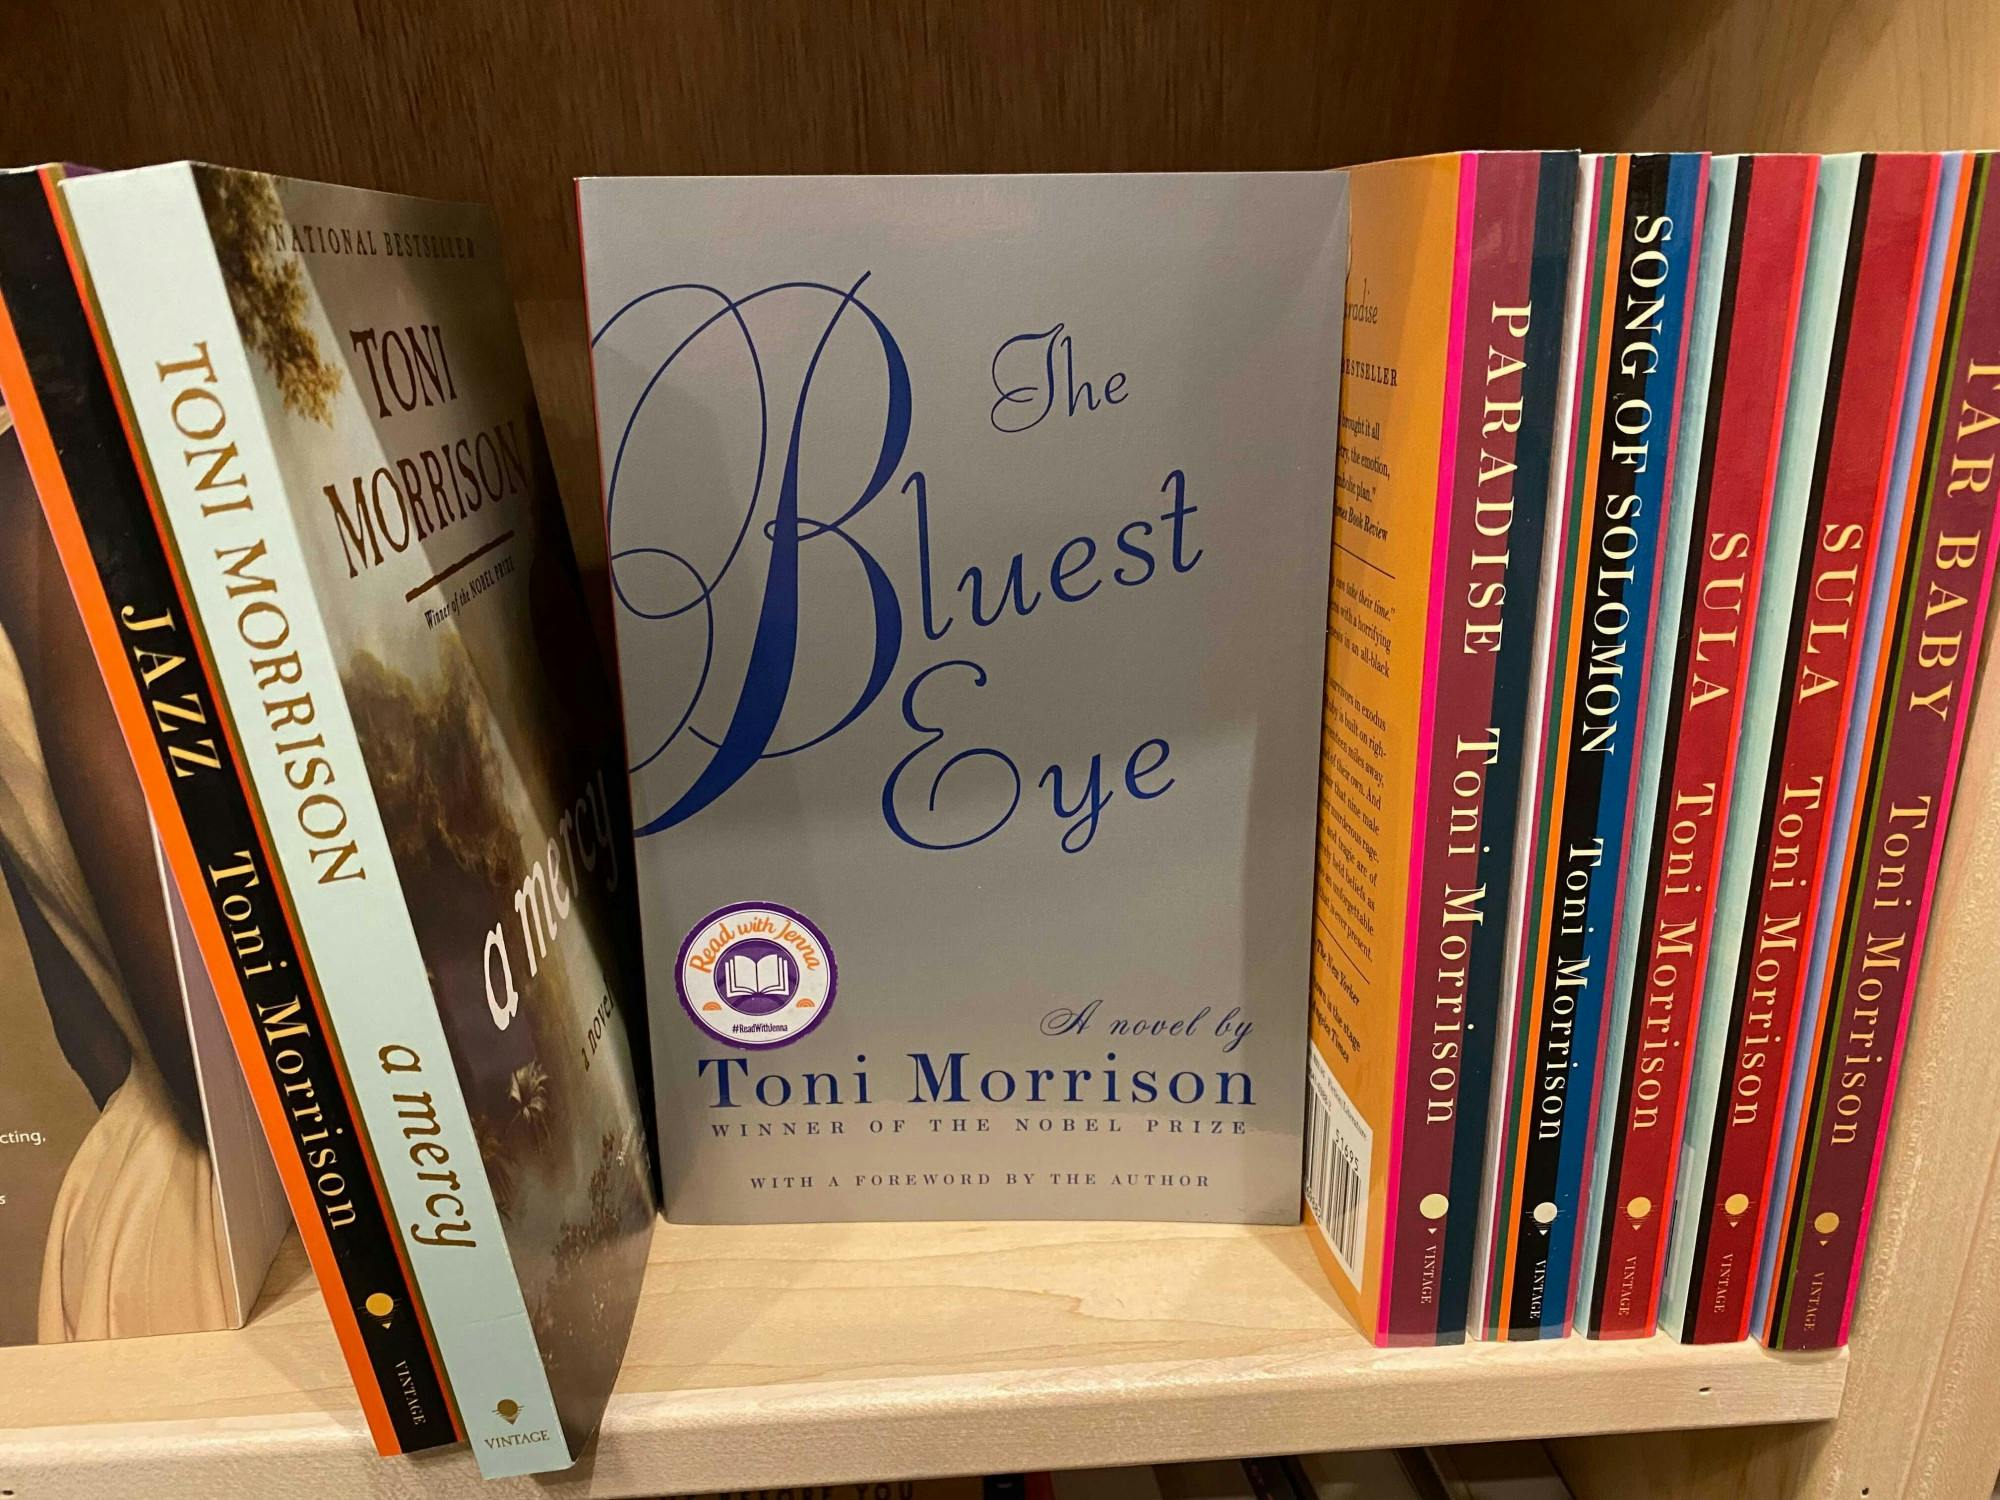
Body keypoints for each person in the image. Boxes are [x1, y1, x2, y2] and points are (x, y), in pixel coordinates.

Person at [0, 407, 229, 1341]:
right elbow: (213, 1063)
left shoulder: (21, 478)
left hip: (149, 1210)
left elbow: (86, 1028)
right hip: (269, 1232)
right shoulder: (59, 476)